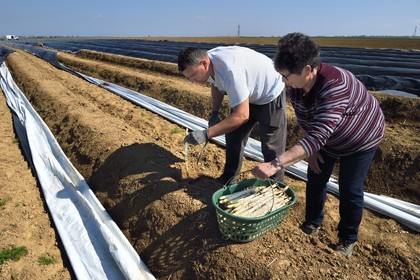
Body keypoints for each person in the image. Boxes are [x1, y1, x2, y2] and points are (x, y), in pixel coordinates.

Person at [252, 32, 385, 257]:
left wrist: (276, 163)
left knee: (350, 188)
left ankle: (347, 238)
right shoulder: (296, 86)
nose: (283, 80)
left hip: (360, 139)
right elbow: (306, 121)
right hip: (324, 138)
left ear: (307, 69)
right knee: (315, 177)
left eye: (286, 75)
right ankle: (312, 222)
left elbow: (317, 135)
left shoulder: (335, 85)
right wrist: (310, 152)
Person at [178, 46, 286, 184]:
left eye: (192, 75)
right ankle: (228, 178)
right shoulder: (208, 62)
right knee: (233, 136)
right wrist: (214, 112)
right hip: (248, 90)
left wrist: (206, 134)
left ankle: (276, 186)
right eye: (188, 77)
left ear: (204, 64)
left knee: (271, 145)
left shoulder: (230, 71)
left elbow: (242, 116)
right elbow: (216, 84)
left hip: (269, 93)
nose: (192, 80)